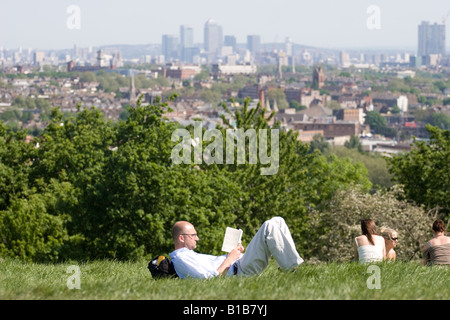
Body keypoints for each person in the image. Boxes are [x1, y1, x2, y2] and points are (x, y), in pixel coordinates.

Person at [169, 216, 304, 279]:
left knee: (277, 220)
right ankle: (291, 270)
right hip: (240, 271)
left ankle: (286, 266)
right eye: (193, 235)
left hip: (239, 263)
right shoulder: (181, 259)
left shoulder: (187, 255)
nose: (197, 238)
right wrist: (230, 259)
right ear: (182, 238)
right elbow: (206, 279)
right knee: (269, 226)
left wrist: (234, 253)